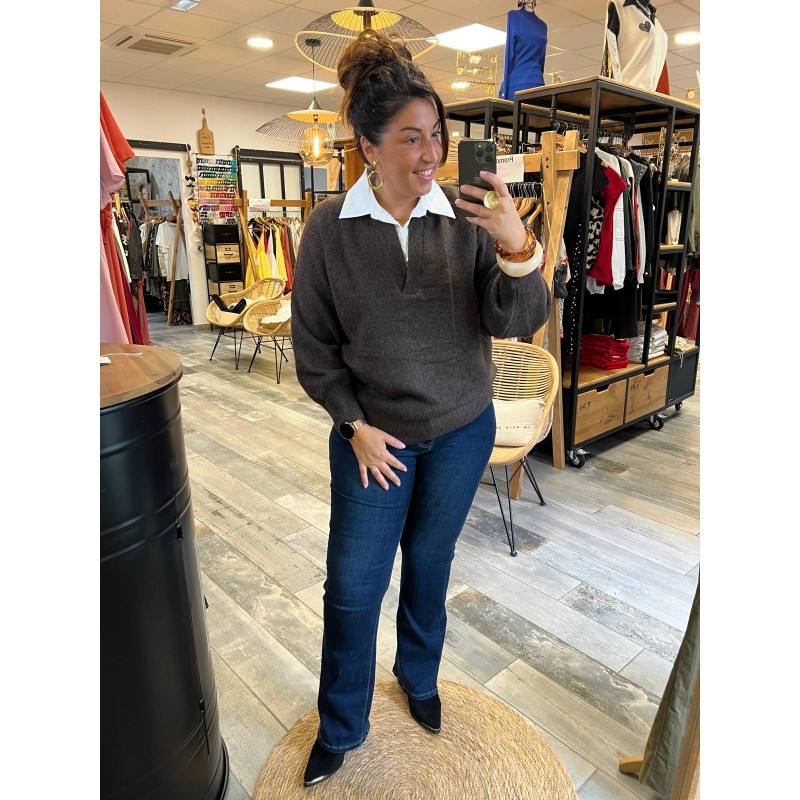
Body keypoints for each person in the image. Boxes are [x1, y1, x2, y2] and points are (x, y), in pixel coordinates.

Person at [291, 29, 552, 787]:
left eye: (436, 133)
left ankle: (419, 677)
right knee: (353, 587)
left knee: (431, 565)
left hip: (463, 430)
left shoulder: (466, 216)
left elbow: (514, 318)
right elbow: (315, 351)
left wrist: (516, 246)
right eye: (410, 138)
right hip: (373, 439)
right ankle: (342, 725)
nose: (431, 153)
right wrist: (352, 425)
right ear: (368, 147)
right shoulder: (328, 232)